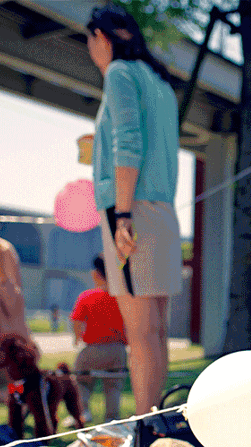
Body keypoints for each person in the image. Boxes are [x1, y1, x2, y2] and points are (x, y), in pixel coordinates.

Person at [86, 4, 181, 415]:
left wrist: (122, 214)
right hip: (162, 210)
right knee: (155, 330)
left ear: (101, 37)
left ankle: (143, 427)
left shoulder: (120, 74)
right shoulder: (160, 82)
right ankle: (153, 421)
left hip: (131, 211)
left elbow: (128, 144)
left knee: (140, 332)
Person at [68, 254, 128, 424]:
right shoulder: (123, 297)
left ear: (96, 274)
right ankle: (112, 417)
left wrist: (77, 338)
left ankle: (83, 411)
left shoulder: (87, 296)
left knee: (82, 381)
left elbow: (77, 322)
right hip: (117, 349)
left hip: (93, 348)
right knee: (114, 386)